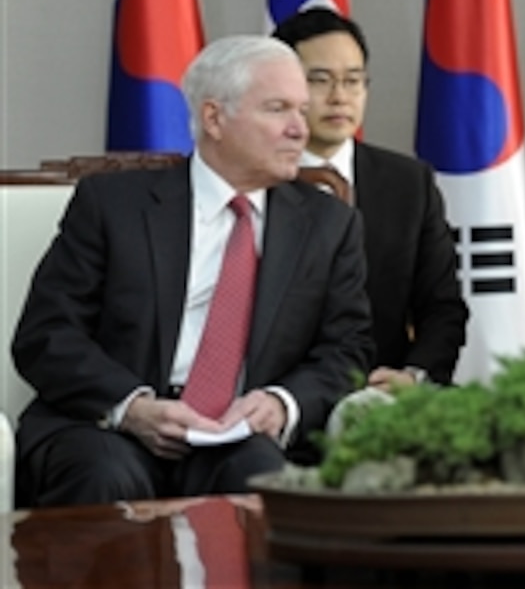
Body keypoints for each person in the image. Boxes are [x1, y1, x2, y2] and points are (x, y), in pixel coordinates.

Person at [12, 35, 374, 507]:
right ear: (213, 118)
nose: (299, 130)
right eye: (278, 109)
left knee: (265, 482)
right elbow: (47, 333)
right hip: (109, 426)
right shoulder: (114, 206)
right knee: (105, 477)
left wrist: (282, 403)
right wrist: (132, 407)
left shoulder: (329, 225)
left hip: (239, 435)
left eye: (301, 111)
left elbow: (348, 348)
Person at [272, 8, 467, 388]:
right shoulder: (254, 180)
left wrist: (413, 377)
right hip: (274, 396)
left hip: (382, 389)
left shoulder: (409, 184)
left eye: (353, 81)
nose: (339, 97)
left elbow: (442, 308)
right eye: (320, 80)